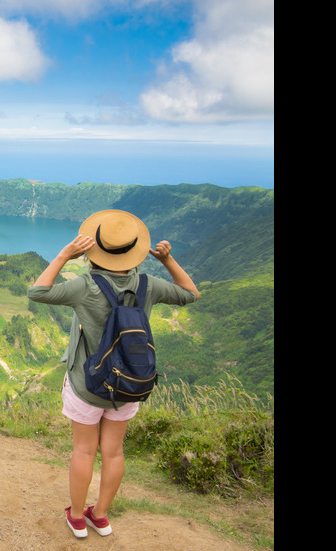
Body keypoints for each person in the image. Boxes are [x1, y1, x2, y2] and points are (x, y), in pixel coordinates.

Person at [27, 209, 199, 538]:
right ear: (134, 251)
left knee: (84, 451)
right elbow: (191, 294)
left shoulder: (85, 286)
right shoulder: (149, 285)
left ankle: (77, 518)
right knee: (114, 452)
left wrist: (65, 255)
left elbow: (38, 292)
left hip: (88, 385)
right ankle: (101, 516)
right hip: (128, 384)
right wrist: (168, 261)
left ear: (94, 250)